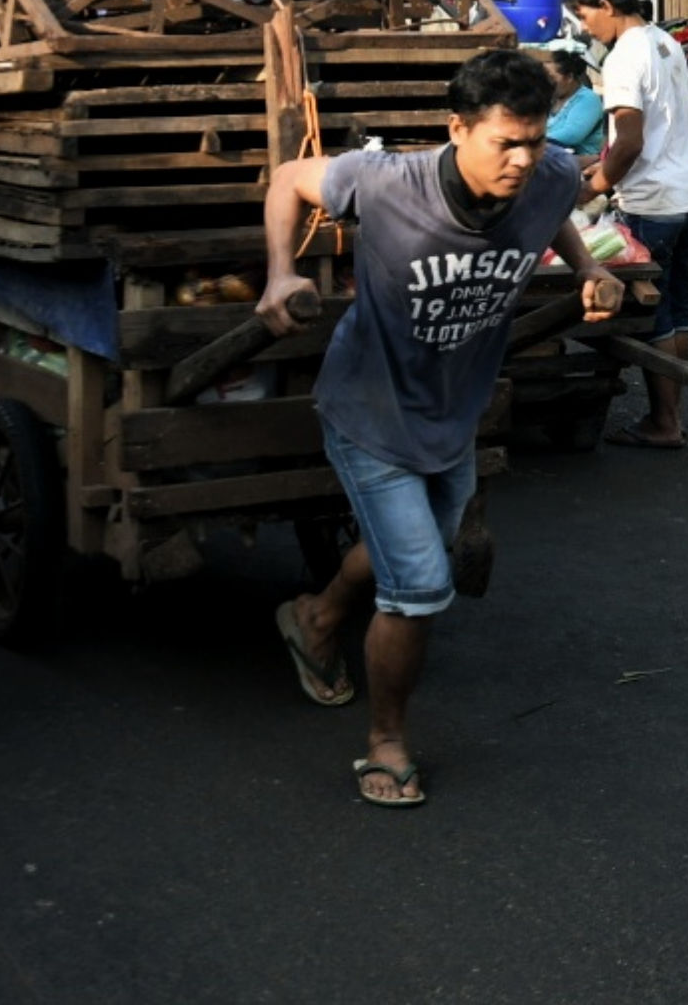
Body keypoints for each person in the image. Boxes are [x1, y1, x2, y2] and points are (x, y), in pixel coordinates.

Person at [258, 50, 624, 806]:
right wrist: (279, 274)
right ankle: (386, 744)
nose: (523, 161)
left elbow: (554, 206)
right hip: (369, 408)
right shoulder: (387, 181)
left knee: (410, 543)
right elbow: (287, 181)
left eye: (534, 139)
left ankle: (316, 618)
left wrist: (589, 267)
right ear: (456, 129)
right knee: (420, 583)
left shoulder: (550, 171)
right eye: (504, 144)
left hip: (452, 411)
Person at [564, 0, 688, 448]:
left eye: (584, 16)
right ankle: (672, 414)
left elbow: (628, 143)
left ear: (606, 5)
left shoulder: (624, 56)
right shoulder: (665, 42)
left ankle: (664, 422)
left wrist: (594, 186)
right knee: (679, 309)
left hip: (650, 204)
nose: (585, 28)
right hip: (687, 201)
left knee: (653, 316)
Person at [540, 46, 607, 158]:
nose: (546, 82)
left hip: (580, 162)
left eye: (551, 77)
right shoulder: (550, 98)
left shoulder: (588, 100)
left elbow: (571, 135)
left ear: (569, 77)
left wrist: (531, 138)